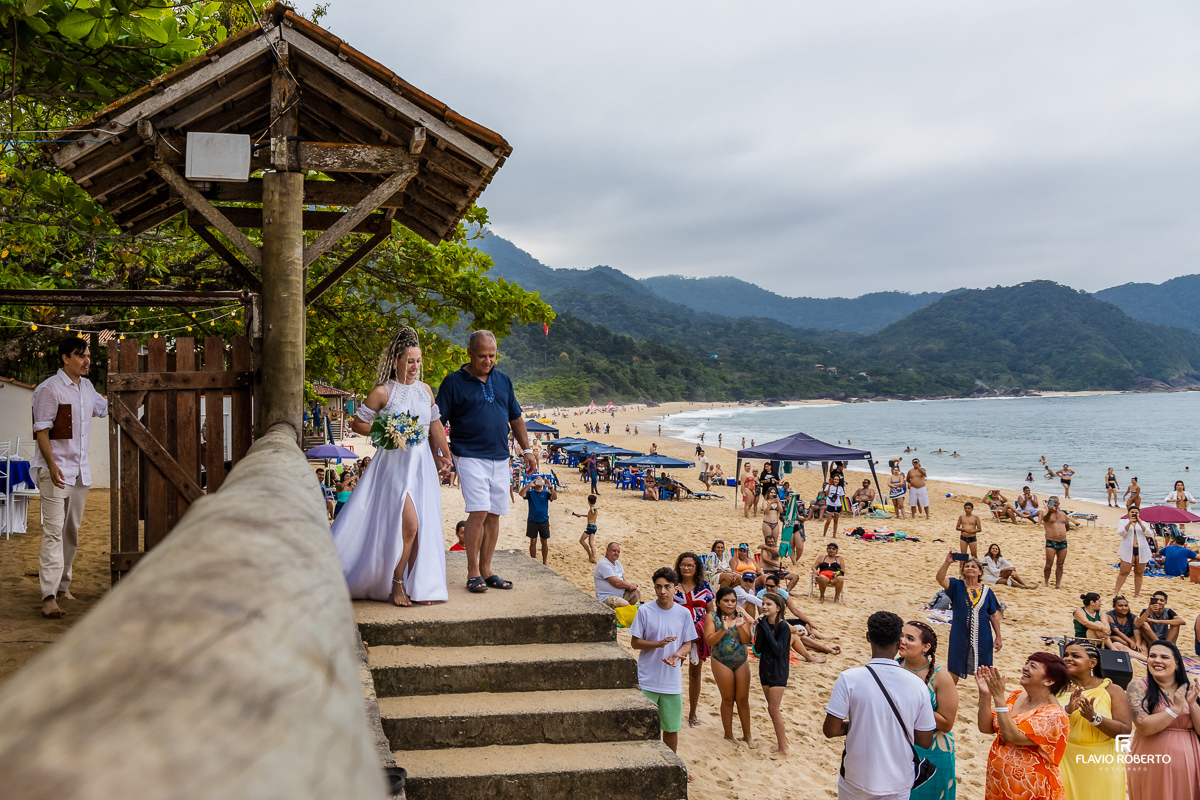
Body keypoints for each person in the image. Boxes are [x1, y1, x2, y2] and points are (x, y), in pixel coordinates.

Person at [333, 327, 449, 606]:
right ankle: (396, 582)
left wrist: (445, 456)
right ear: (396, 360)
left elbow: (434, 425)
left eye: (418, 361)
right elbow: (357, 423)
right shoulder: (383, 391)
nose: (415, 366)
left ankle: (416, 584)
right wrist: (386, 429)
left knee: (422, 527)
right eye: (410, 360)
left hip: (421, 464)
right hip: (394, 466)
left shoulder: (425, 391)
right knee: (409, 525)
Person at [436, 330, 536, 593]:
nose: (488, 361)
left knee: (494, 513)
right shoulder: (453, 383)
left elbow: (515, 418)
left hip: (500, 456)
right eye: (482, 356)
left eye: (492, 356)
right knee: (478, 510)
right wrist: (441, 454)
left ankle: (487, 569)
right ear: (469, 353)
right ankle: (472, 572)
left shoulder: (503, 380)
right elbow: (437, 422)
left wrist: (526, 450)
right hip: (467, 454)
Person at [30, 337, 109, 620]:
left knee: (71, 531)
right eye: (80, 355)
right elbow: (41, 430)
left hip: (79, 472)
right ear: (65, 358)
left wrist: (142, 392)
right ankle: (48, 595)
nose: (87, 360)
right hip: (54, 470)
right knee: (53, 531)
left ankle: (63, 586)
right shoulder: (49, 389)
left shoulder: (87, 388)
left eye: (87, 354)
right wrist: (51, 465)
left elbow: (106, 409)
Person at [824, 611, 937, 799]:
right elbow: (925, 740)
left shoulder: (849, 678)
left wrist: (860, 723)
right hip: (898, 780)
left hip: (856, 776)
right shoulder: (917, 685)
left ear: (868, 637)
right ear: (899, 643)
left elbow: (830, 730)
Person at [975, 654, 1070, 800]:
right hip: (1000, 784)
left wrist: (999, 697)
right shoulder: (1016, 696)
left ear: (1049, 680)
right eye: (1027, 663)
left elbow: (1012, 736)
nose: (1025, 668)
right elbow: (986, 727)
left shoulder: (1054, 714)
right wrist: (986, 695)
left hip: (1031, 789)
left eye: (1033, 666)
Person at [630, 567, 697, 757]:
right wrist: (657, 644)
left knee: (671, 728)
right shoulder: (645, 611)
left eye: (667, 587)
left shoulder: (683, 613)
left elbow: (688, 643)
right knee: (643, 729)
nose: (662, 591)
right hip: (646, 679)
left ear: (675, 588)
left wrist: (676, 655)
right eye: (658, 587)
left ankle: (671, 765)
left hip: (671, 682)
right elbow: (635, 642)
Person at [1125, 640, 1200, 800]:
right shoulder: (1137, 687)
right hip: (1151, 762)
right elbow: (1144, 726)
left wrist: (1192, 703)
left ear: (1177, 663)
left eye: (1164, 657)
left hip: (1189, 764)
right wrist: (1175, 709)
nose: (1157, 660)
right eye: (1152, 656)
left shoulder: (1189, 689)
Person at [1057, 640, 1132, 800]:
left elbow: (1125, 731)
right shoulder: (1056, 689)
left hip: (1101, 761)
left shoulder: (1112, 690)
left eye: (1075, 656)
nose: (1068, 659)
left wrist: (1094, 718)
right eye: (1065, 655)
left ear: (1092, 662)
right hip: (1065, 759)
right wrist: (1068, 711)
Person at [899, 620, 958, 800]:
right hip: (898, 747)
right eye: (901, 635)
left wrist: (916, 704)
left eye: (910, 638)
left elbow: (947, 723)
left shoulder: (940, 676)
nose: (902, 641)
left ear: (925, 647)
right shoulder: (893, 667)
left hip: (933, 753)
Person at [937, 553, 1002, 684]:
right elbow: (940, 579)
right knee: (955, 666)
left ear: (980, 572)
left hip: (983, 635)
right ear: (963, 570)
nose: (970, 568)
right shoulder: (956, 585)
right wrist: (947, 562)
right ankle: (949, 696)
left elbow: (994, 615)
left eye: (973, 566)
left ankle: (984, 700)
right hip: (959, 634)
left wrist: (998, 636)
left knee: (984, 668)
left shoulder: (987, 591)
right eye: (967, 566)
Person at [703, 587, 753, 745]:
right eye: (726, 601)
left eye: (733, 601)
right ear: (718, 602)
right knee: (728, 699)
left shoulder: (740, 615)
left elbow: (746, 641)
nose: (730, 604)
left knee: (743, 699)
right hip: (721, 660)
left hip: (741, 659)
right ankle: (728, 734)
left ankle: (747, 735)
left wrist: (739, 627)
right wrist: (723, 629)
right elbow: (710, 640)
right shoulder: (712, 617)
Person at [673, 552, 715, 728]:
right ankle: (673, 710)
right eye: (683, 564)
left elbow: (711, 612)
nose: (686, 568)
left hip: (698, 635)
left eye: (690, 565)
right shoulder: (673, 585)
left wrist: (709, 630)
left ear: (696, 567)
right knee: (674, 671)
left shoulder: (704, 586)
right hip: (677, 634)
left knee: (695, 674)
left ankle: (692, 714)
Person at [755, 591, 796, 755]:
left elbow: (779, 650)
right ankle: (781, 744)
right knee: (771, 709)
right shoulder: (763, 623)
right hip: (765, 668)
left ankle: (782, 749)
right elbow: (757, 649)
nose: (764, 606)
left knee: (773, 709)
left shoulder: (784, 627)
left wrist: (766, 629)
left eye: (768, 604)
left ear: (778, 608)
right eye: (763, 604)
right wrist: (761, 628)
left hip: (778, 670)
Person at [1114, 506, 1152, 597]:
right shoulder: (1123, 522)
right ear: (1128, 513)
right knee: (1124, 572)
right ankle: (1116, 592)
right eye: (1132, 512)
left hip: (1141, 550)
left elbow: (1149, 533)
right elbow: (1121, 533)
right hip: (1128, 549)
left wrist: (1140, 523)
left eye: (1136, 512)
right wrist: (1129, 524)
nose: (1134, 514)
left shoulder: (1143, 523)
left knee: (1139, 573)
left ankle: (1137, 594)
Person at [519, 475, 556, 566]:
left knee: (544, 542)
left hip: (544, 521)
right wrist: (529, 485)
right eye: (537, 481)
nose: (539, 483)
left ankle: (545, 561)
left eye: (540, 481)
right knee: (533, 542)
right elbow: (521, 494)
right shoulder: (530, 493)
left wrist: (550, 486)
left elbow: (554, 497)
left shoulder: (546, 493)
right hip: (532, 521)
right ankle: (533, 560)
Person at [1042, 497, 1076, 589]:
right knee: (1049, 564)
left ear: (1059, 504)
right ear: (1049, 503)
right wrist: (1050, 511)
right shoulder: (1045, 513)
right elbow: (1045, 520)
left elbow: (1067, 527)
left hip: (1063, 542)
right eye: (1053, 502)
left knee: (1060, 564)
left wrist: (1061, 533)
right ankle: (1046, 582)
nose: (1055, 504)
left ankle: (1058, 584)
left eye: (1057, 503)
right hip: (1051, 541)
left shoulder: (1063, 515)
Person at [594, 541, 640, 607]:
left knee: (636, 591)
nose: (616, 553)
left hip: (619, 595)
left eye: (618, 552)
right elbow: (616, 583)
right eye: (614, 551)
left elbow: (622, 579)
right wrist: (629, 585)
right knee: (625, 604)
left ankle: (625, 614)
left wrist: (630, 587)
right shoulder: (604, 564)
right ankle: (624, 613)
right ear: (607, 550)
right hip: (606, 597)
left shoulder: (617, 563)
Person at [572, 494, 599, 564]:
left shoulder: (592, 508)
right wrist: (581, 515)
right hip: (594, 527)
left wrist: (593, 509)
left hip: (589, 527)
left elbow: (593, 510)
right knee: (591, 543)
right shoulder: (593, 509)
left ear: (588, 502)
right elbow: (590, 515)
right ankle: (594, 558)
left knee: (581, 541)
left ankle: (590, 555)